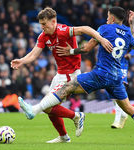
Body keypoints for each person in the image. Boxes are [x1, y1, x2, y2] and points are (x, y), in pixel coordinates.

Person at [17, 7, 134, 141]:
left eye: (107, 17)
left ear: (112, 18)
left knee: (67, 87)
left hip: (100, 74)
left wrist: (72, 51)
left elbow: (87, 48)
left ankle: (36, 110)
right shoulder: (127, 32)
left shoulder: (105, 29)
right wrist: (131, 24)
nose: (106, 19)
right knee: (129, 108)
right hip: (116, 77)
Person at [10, 7, 112, 143]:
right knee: (48, 108)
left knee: (47, 104)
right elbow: (34, 54)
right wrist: (21, 61)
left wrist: (101, 39)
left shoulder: (64, 30)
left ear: (53, 22)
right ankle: (64, 135)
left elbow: (85, 28)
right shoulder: (43, 36)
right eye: (40, 24)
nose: (42, 27)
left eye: (44, 24)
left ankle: (41, 111)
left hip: (71, 76)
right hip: (60, 75)